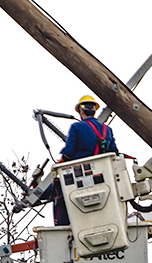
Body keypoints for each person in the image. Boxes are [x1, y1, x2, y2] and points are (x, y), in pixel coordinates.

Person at [51, 95, 118, 225]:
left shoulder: (77, 127)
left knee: (57, 191)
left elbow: (69, 153)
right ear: (94, 110)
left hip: (78, 177)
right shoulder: (107, 130)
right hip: (102, 179)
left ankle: (62, 226)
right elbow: (114, 154)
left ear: (81, 111)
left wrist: (58, 165)